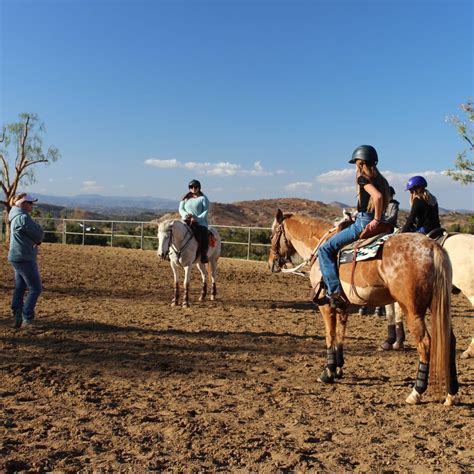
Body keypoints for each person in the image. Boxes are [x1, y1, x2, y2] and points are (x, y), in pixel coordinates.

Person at [318, 145, 391, 307]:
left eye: (356, 163)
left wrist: (375, 220)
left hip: (364, 222)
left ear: (360, 163)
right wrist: (379, 218)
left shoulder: (363, 178)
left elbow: (377, 197)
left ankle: (334, 291)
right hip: (380, 221)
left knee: (325, 250)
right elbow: (381, 198)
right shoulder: (382, 180)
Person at [8, 193, 44, 329]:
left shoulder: (14, 215)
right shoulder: (23, 218)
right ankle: (27, 319)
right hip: (25, 257)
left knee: (21, 287)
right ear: (22, 204)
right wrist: (38, 237)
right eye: (30, 203)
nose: (32, 205)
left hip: (16, 256)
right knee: (35, 288)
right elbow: (39, 234)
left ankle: (17, 313)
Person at [178, 179, 210, 263]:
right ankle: (171, 253)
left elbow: (205, 212)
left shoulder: (203, 198)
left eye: (195, 187)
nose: (193, 188)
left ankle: (203, 255)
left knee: (203, 235)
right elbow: (181, 209)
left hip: (200, 223)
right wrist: (186, 215)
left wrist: (196, 218)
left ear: (199, 188)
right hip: (186, 220)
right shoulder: (185, 198)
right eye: (191, 187)